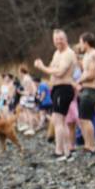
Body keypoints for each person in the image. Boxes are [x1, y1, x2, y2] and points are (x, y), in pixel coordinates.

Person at [34, 29, 77, 160]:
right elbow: (52, 69)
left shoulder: (68, 53)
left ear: (66, 39)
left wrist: (42, 67)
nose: (58, 41)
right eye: (56, 39)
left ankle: (60, 151)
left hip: (64, 88)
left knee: (58, 120)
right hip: (57, 89)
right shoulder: (57, 53)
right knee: (60, 121)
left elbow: (59, 72)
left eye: (60, 38)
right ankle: (66, 152)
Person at [76, 32, 95, 154]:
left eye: (80, 42)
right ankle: (88, 145)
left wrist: (78, 80)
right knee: (83, 119)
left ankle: (92, 146)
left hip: (91, 89)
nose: (79, 45)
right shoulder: (87, 55)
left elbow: (92, 74)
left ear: (86, 42)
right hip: (86, 89)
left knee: (85, 118)